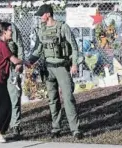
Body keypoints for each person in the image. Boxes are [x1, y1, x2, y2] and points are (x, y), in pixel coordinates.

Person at [28, 4, 83, 139]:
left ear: (48, 14)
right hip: (48, 68)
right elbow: (38, 49)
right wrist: (28, 61)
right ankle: (56, 127)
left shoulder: (63, 27)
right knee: (52, 99)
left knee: (68, 98)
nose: (40, 17)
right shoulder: (41, 30)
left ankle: (75, 129)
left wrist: (74, 64)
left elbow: (74, 47)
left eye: (41, 14)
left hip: (62, 67)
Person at [0, 21, 22, 143]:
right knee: (6, 106)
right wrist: (24, 62)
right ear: (4, 32)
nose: (11, 31)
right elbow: (14, 60)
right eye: (9, 29)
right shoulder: (2, 45)